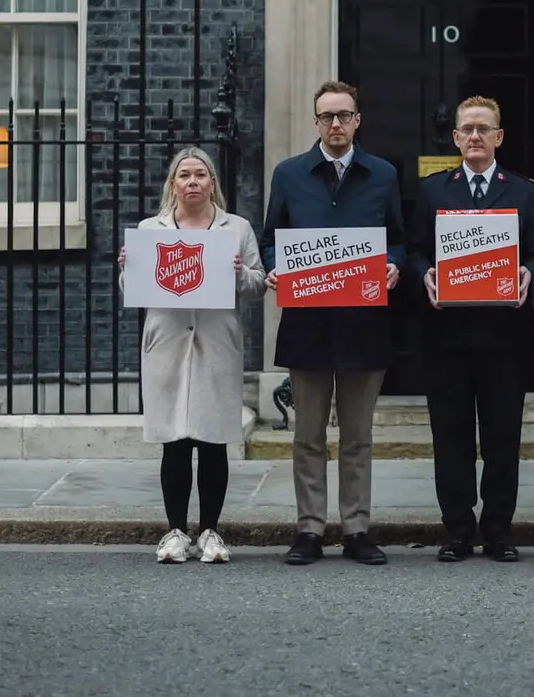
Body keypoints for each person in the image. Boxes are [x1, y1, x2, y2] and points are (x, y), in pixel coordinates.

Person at [261, 80, 406, 566]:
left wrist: (395, 264)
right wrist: (275, 267)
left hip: (364, 322)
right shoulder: (289, 175)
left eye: (344, 115)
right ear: (315, 121)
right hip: (308, 323)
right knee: (308, 435)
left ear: (358, 121)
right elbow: (269, 240)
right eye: (327, 116)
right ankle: (309, 529)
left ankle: (357, 529)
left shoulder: (383, 175)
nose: (336, 124)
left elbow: (400, 239)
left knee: (359, 436)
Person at [410, 95, 534, 563]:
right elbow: (414, 252)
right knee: (449, 437)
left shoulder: (523, 192)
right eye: (466, 129)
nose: (474, 136)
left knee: (502, 437)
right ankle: (456, 530)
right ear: (455, 138)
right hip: (446, 337)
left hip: (504, 338)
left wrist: (532, 272)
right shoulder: (432, 191)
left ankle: (498, 530)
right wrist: (424, 273)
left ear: (498, 137)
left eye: (483, 129)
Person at [119, 146, 266, 565]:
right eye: (184, 175)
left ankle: (211, 533)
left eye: (200, 174)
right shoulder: (151, 229)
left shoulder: (235, 227)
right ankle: (175, 532)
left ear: (212, 183)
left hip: (217, 344)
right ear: (173, 184)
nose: (193, 182)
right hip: (167, 343)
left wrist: (239, 273)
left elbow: (258, 284)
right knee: (174, 442)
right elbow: (131, 290)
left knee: (214, 439)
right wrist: (128, 267)